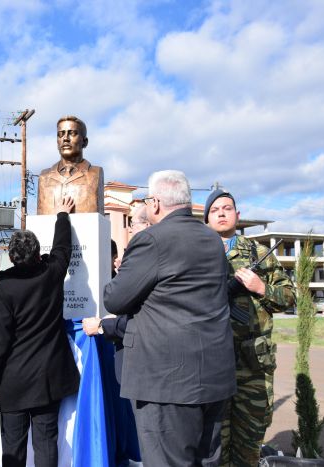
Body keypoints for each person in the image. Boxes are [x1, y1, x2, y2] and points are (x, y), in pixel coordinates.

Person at [103, 170, 236, 467]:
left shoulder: (151, 240)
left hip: (167, 383)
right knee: (206, 461)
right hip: (213, 376)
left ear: (156, 202)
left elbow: (115, 298)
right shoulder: (212, 240)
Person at [0, 196, 80, 467]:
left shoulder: (4, 289)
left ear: (11, 258)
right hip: (48, 378)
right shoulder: (51, 275)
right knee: (47, 442)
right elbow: (62, 248)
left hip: (13, 382)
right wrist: (62, 215)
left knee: (13, 448)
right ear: (38, 253)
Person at [204, 189, 295, 466]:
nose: (221, 212)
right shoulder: (197, 253)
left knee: (248, 447)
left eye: (227, 208)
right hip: (210, 365)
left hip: (252, 365)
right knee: (213, 446)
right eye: (215, 209)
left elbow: (290, 297)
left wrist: (261, 288)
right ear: (206, 218)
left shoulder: (259, 253)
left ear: (237, 215)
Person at [82, 204, 150, 467]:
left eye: (133, 223)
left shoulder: (135, 268)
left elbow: (134, 316)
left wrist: (103, 325)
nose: (130, 228)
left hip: (136, 358)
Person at [37, 116, 104, 215]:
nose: (65, 138)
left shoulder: (95, 173)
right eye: (60, 134)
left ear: (84, 142)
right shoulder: (44, 176)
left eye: (72, 133)